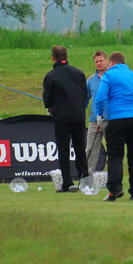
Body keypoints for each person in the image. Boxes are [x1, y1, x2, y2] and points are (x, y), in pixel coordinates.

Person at [94, 51, 133, 201]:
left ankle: (115, 189)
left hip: (117, 120)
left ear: (111, 63)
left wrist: (99, 115)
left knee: (115, 156)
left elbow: (100, 98)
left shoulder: (108, 75)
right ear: (124, 63)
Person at [43, 45, 89, 192]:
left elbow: (47, 100)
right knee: (80, 148)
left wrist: (50, 105)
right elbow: (84, 94)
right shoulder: (79, 73)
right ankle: (85, 180)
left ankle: (67, 183)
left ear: (53, 58)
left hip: (62, 117)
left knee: (63, 150)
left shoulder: (50, 76)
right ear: (66, 57)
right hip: (79, 116)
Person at [85, 50, 109, 176]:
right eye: (96, 62)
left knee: (112, 149)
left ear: (106, 61)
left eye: (101, 61)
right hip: (94, 120)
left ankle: (113, 176)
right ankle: (88, 177)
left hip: (111, 119)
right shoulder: (90, 80)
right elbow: (85, 99)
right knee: (90, 149)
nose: (99, 63)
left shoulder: (113, 77)